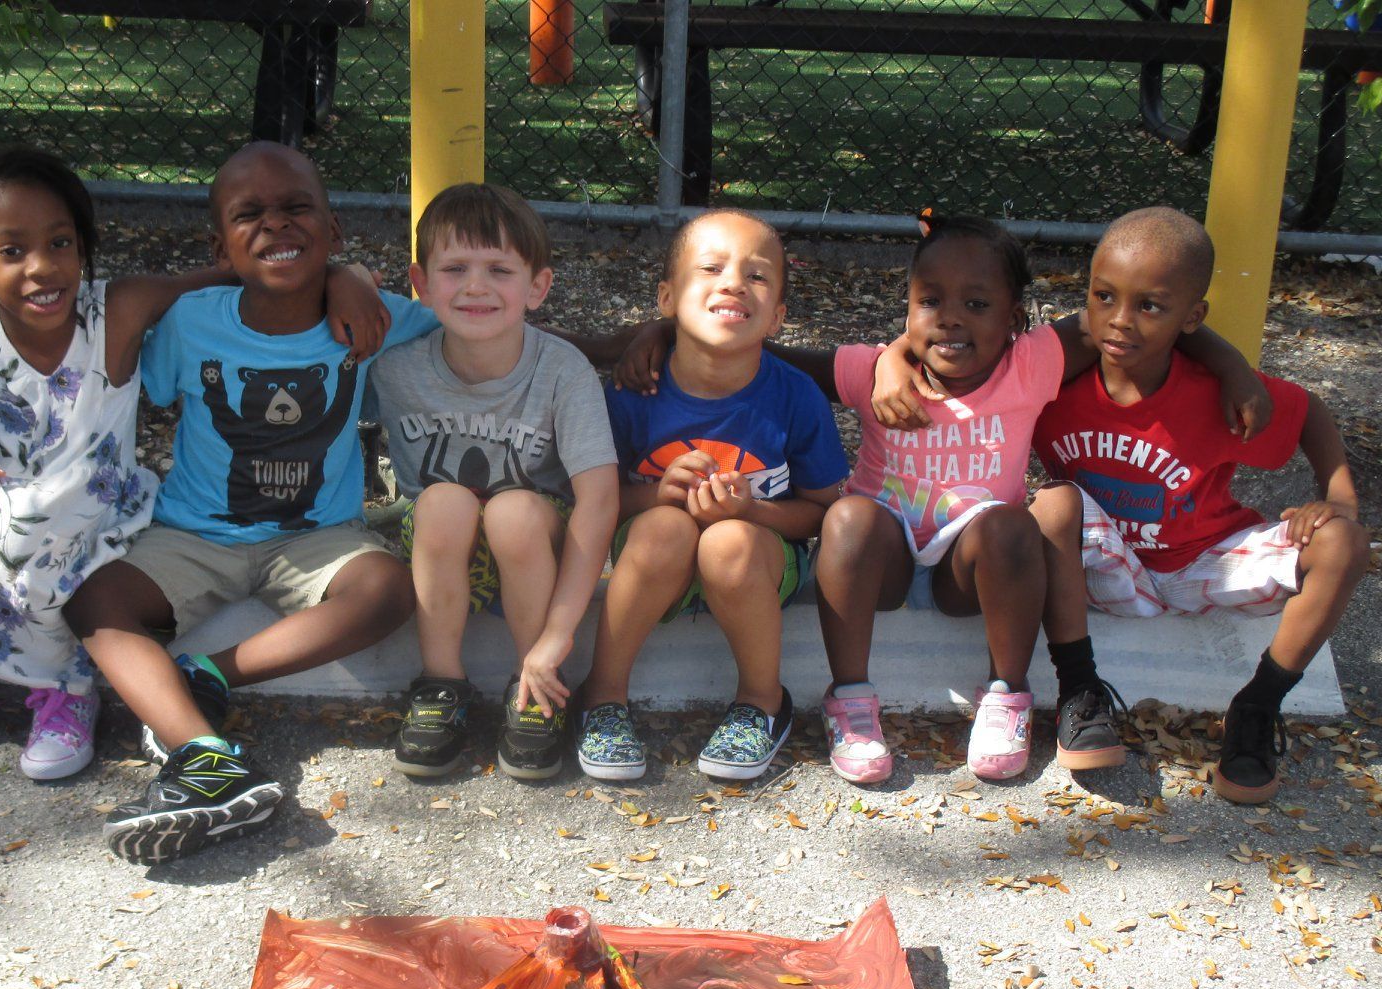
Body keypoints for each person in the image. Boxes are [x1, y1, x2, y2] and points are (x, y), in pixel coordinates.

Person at [787, 214, 1267, 786]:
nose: (950, 320)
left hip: (971, 571)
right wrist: (669, 333)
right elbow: (771, 362)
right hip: (881, 563)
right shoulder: (872, 371)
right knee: (846, 517)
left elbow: (1128, 321)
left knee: (1012, 524)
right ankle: (851, 700)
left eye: (978, 305)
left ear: (1015, 319)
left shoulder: (1032, 363)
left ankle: (1006, 694)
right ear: (909, 307)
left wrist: (1233, 365)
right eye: (930, 301)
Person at [63, 142, 431, 863]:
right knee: (95, 603)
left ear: (333, 230)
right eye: (249, 216)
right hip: (194, 533)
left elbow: (488, 334)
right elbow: (126, 332)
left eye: (297, 209)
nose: (275, 226)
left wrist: (635, 341)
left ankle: (206, 677)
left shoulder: (376, 318)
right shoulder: (191, 322)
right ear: (219, 243)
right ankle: (205, 758)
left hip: (319, 537)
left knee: (388, 589)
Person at [0, 146, 238, 781]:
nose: (42, 268)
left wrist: (344, 280)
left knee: (55, 517)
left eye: (61, 243)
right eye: (12, 252)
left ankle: (67, 690)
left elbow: (230, 276)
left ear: (82, 249)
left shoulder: (117, 309)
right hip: (4, 500)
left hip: (95, 509)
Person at [1029, 207, 1368, 803]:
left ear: (1193, 317)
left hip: (1205, 562)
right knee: (1053, 505)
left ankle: (1255, 708)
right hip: (1107, 570)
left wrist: (1338, 499)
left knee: (1344, 543)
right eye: (1104, 297)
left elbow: (1308, 411)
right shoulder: (1051, 382)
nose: (1121, 321)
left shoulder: (1213, 391)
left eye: (1150, 306)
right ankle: (1081, 694)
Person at [574, 210, 849, 782]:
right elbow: (591, 500)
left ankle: (762, 703)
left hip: (757, 558)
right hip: (654, 556)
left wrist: (752, 510)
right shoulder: (631, 394)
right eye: (711, 268)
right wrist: (655, 497)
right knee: (665, 528)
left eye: (757, 276)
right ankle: (602, 698)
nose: (733, 283)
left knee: (727, 542)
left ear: (777, 315)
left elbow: (822, 512)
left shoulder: (795, 396)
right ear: (667, 297)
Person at [371, 183, 619, 780]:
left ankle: (534, 682)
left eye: (499, 269)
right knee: (446, 501)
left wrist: (559, 635)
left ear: (538, 286)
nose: (476, 286)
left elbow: (599, 498)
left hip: (533, 550)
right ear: (421, 283)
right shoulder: (392, 366)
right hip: (438, 547)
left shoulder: (563, 370)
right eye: (454, 268)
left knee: (512, 508)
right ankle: (441, 684)